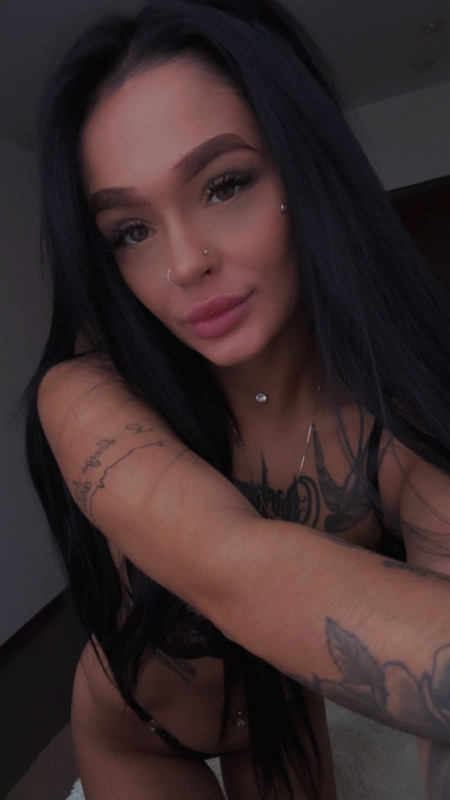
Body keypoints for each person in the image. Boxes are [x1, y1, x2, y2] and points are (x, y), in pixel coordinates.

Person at [20, 1, 450, 798]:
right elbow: (233, 567)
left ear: (304, 172)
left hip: (283, 708)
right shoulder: (86, 396)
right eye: (131, 230)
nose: (185, 262)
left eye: (224, 185)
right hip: (142, 735)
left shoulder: (394, 423)